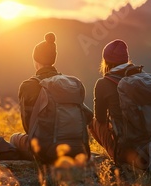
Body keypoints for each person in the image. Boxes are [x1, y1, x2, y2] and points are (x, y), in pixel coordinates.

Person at [90, 39, 151, 170]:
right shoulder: (142, 77)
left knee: (93, 121)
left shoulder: (103, 84)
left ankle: (120, 160)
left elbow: (100, 118)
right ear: (126, 59)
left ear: (106, 61)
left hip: (129, 155)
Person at [10, 32, 93, 164]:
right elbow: (88, 117)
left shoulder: (29, 86)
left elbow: (28, 126)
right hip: (77, 149)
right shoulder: (70, 84)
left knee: (14, 138)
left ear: (36, 61)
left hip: (46, 151)